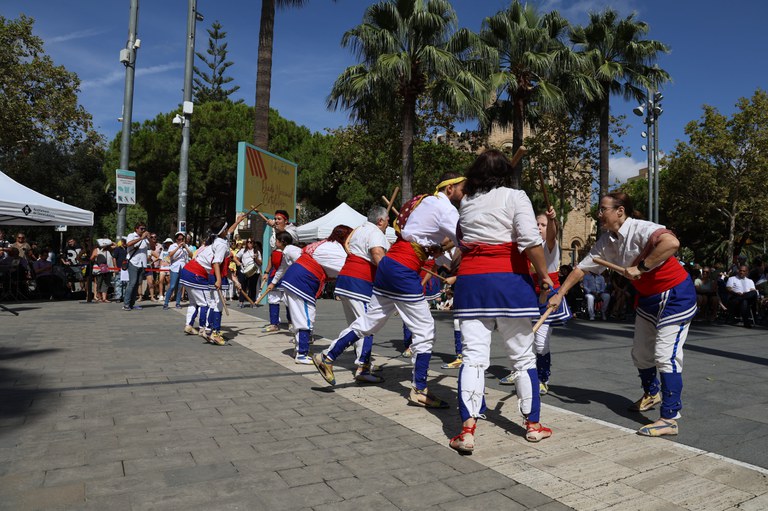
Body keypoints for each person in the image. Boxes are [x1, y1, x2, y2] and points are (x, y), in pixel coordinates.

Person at [548, 192, 697, 437]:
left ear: (620, 211)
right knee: (640, 354)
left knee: (665, 355)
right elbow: (582, 268)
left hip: (676, 295)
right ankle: (652, 393)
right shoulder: (606, 242)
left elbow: (671, 243)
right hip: (648, 299)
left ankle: (669, 418)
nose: (599, 214)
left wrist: (641, 267)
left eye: (603, 209)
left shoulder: (642, 228)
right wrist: (560, 294)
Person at [312, 172, 465, 409]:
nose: (465, 193)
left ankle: (327, 356)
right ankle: (419, 389)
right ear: (450, 188)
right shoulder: (446, 208)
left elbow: (428, 238)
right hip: (404, 268)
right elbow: (465, 237)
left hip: (391, 264)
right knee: (425, 330)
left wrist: (438, 247)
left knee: (370, 321)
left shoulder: (423, 201)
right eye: (462, 188)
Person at [447, 150, 555, 454]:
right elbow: (530, 241)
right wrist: (543, 275)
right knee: (523, 358)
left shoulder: (466, 203)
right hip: (509, 281)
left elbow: (462, 240)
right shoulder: (516, 196)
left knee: (473, 357)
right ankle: (533, 426)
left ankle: (467, 431)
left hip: (472, 283)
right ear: (505, 173)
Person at [498, 206, 570, 394]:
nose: (539, 227)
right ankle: (518, 371)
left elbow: (552, 236)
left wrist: (552, 220)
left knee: (540, 342)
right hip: (529, 298)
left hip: (548, 300)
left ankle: (542, 379)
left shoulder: (549, 247)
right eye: (536, 224)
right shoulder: (528, 248)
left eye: (543, 225)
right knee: (521, 338)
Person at [269, 225, 352, 364]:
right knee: (305, 318)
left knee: (299, 317)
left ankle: (299, 349)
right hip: (302, 282)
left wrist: (274, 281)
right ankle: (302, 354)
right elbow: (347, 269)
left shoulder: (325, 244)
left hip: (295, 280)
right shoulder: (336, 250)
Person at [331, 206, 390, 382]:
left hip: (346, 280)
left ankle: (363, 362)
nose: (388, 223)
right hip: (360, 283)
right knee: (366, 325)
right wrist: (392, 277)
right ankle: (361, 367)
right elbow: (377, 254)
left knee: (356, 326)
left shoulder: (358, 230)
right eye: (387, 220)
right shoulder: (376, 232)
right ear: (380, 220)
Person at [123, 222, 150, 311]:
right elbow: (128, 244)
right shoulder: (131, 235)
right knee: (132, 283)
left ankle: (131, 304)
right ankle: (126, 304)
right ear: (136, 229)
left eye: (144, 229)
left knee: (137, 284)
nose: (143, 230)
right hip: (133, 262)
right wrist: (141, 238)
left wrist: (149, 238)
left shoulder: (145, 239)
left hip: (142, 263)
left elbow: (152, 247)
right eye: (141, 228)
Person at [164, 232, 192, 309]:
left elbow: (191, 255)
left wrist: (185, 247)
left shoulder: (186, 247)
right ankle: (166, 303)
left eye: (182, 239)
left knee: (180, 286)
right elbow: (170, 255)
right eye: (179, 239)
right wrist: (178, 247)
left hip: (183, 267)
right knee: (172, 286)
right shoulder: (172, 246)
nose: (181, 241)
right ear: (176, 239)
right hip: (174, 267)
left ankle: (178, 303)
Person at [237, 239, 261, 307]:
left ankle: (252, 302)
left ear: (253, 243)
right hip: (244, 271)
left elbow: (260, 263)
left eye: (251, 242)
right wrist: (239, 263)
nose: (249, 243)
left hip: (254, 271)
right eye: (248, 242)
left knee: (252, 287)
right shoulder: (243, 251)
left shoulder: (257, 252)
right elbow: (235, 258)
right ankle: (241, 301)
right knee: (243, 286)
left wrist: (256, 258)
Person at [90, 239, 114, 303]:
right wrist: (95, 256)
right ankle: (99, 297)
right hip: (99, 269)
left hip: (107, 269)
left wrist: (109, 242)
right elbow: (91, 258)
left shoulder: (108, 249)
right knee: (99, 283)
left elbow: (116, 245)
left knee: (105, 283)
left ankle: (104, 298)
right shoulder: (96, 250)